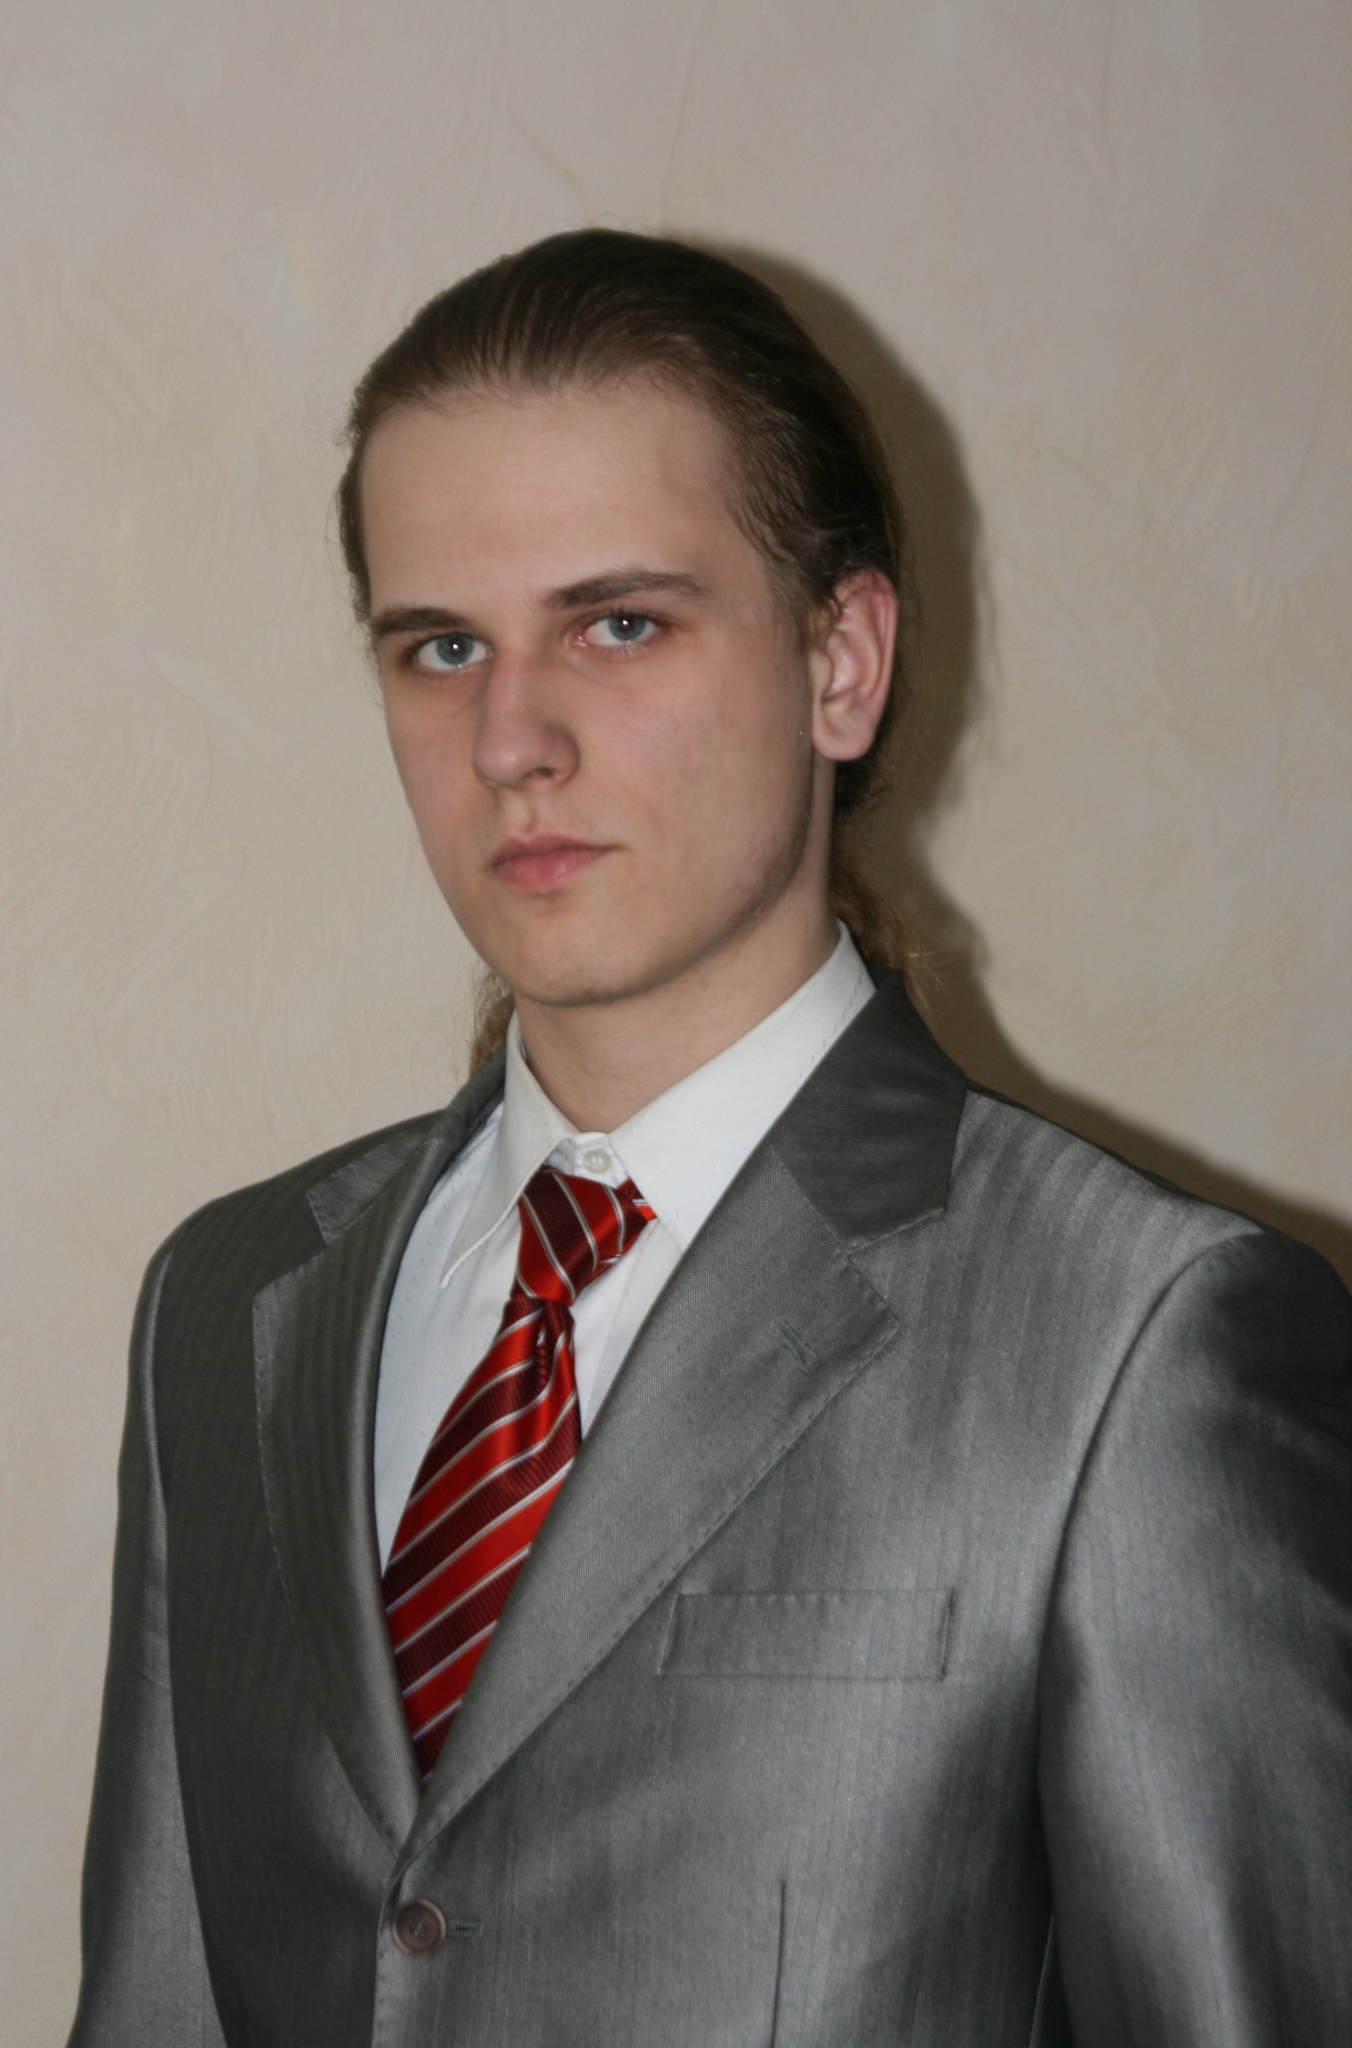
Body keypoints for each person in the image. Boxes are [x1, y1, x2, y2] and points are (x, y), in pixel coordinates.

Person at [68, 230, 1352, 2048]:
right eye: (442, 647)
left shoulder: (1137, 1341)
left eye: (618, 624)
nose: (511, 739)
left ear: (841, 662)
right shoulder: (229, 1303)